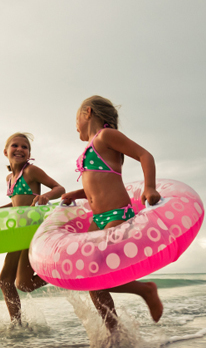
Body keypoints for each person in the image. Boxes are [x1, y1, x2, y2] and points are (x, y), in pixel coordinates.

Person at [61, 96, 163, 331]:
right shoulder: (90, 147)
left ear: (88, 112)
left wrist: (149, 187)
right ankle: (114, 333)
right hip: (98, 220)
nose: (75, 124)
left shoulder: (106, 136)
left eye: (76, 118)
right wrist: (76, 194)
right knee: (89, 279)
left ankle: (145, 290)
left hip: (117, 214)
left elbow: (145, 155)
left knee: (98, 276)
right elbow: (96, 185)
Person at [0, 132, 65, 324]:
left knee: (15, 282)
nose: (20, 149)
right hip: (17, 232)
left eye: (24, 147)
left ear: (29, 153)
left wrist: (46, 196)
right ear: (6, 151)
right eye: (15, 146)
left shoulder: (31, 171)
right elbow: (17, 205)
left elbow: (59, 188)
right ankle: (17, 324)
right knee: (14, 283)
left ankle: (61, 271)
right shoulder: (9, 178)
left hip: (31, 230)